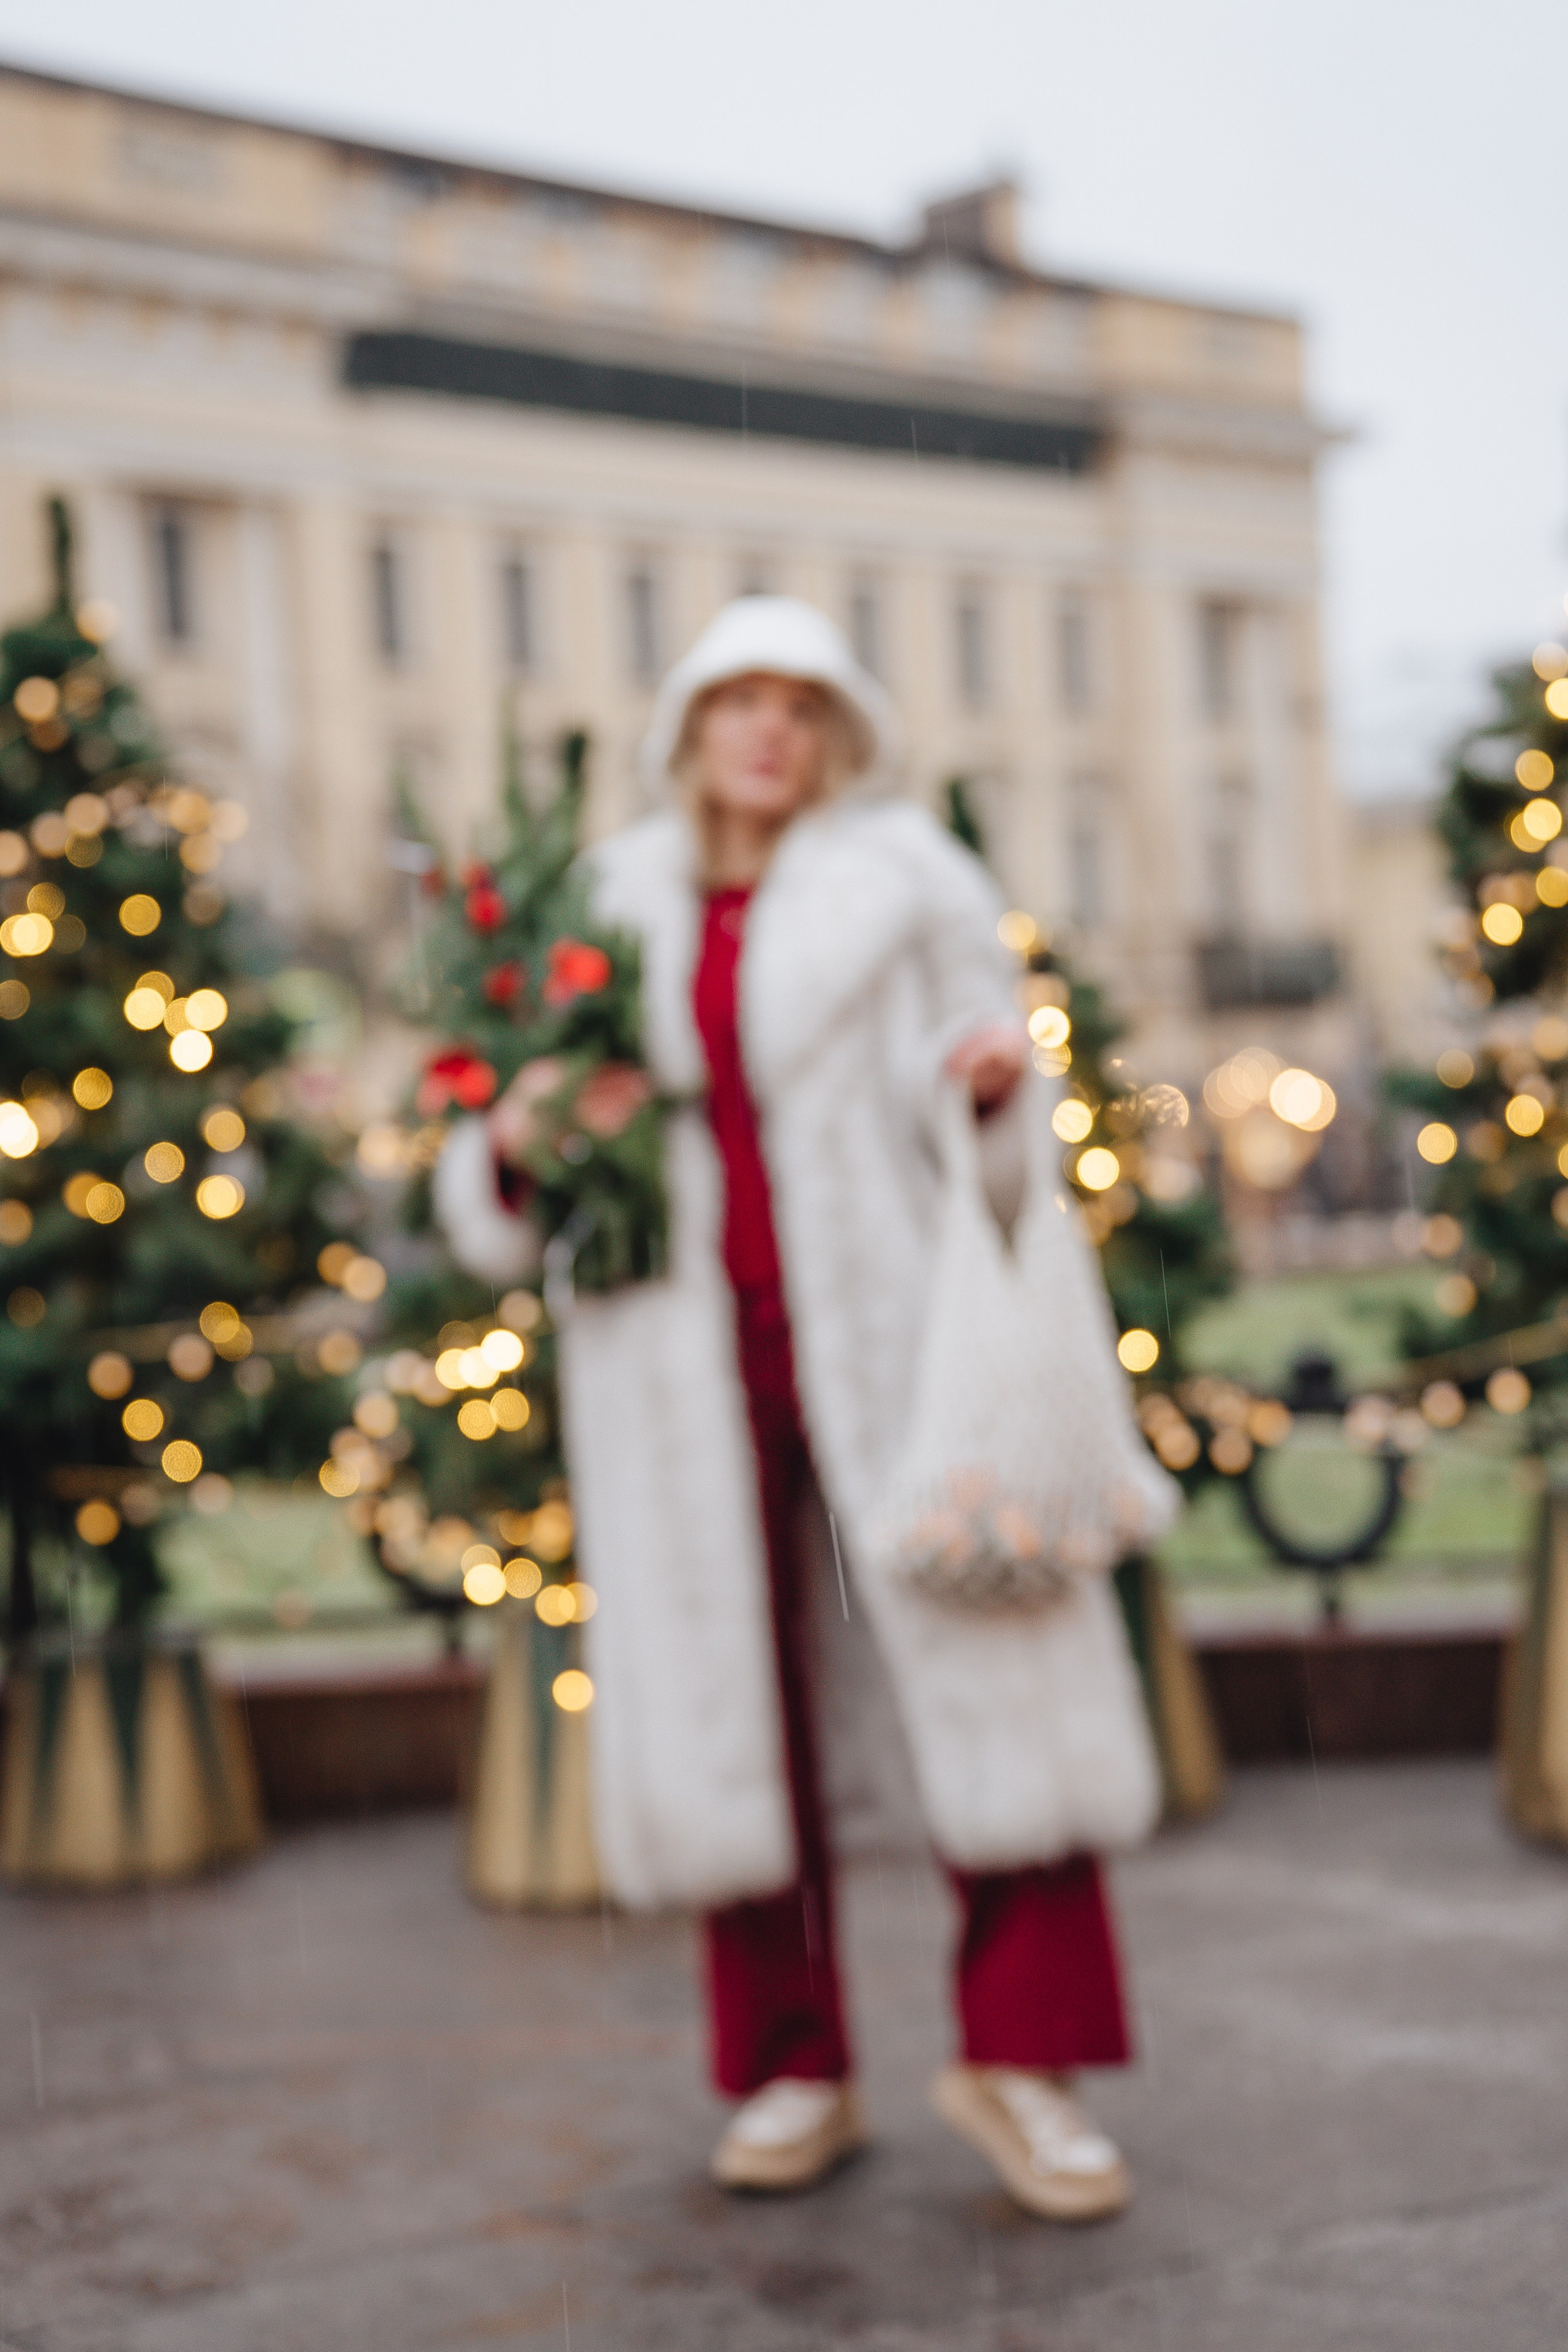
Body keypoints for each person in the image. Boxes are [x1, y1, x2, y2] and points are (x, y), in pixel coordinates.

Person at [435, 597, 1164, 2218]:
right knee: (722, 1701)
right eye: (736, 702)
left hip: (905, 1350)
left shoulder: (910, 883)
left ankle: (1026, 2060)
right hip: (673, 1365)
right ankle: (788, 2061)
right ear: (689, 728)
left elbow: (994, 1105)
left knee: (1000, 1665)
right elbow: (498, 1158)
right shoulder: (599, 903)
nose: (767, 731)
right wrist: (517, 1137)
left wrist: (988, 1091)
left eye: (799, 704)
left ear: (836, 731)